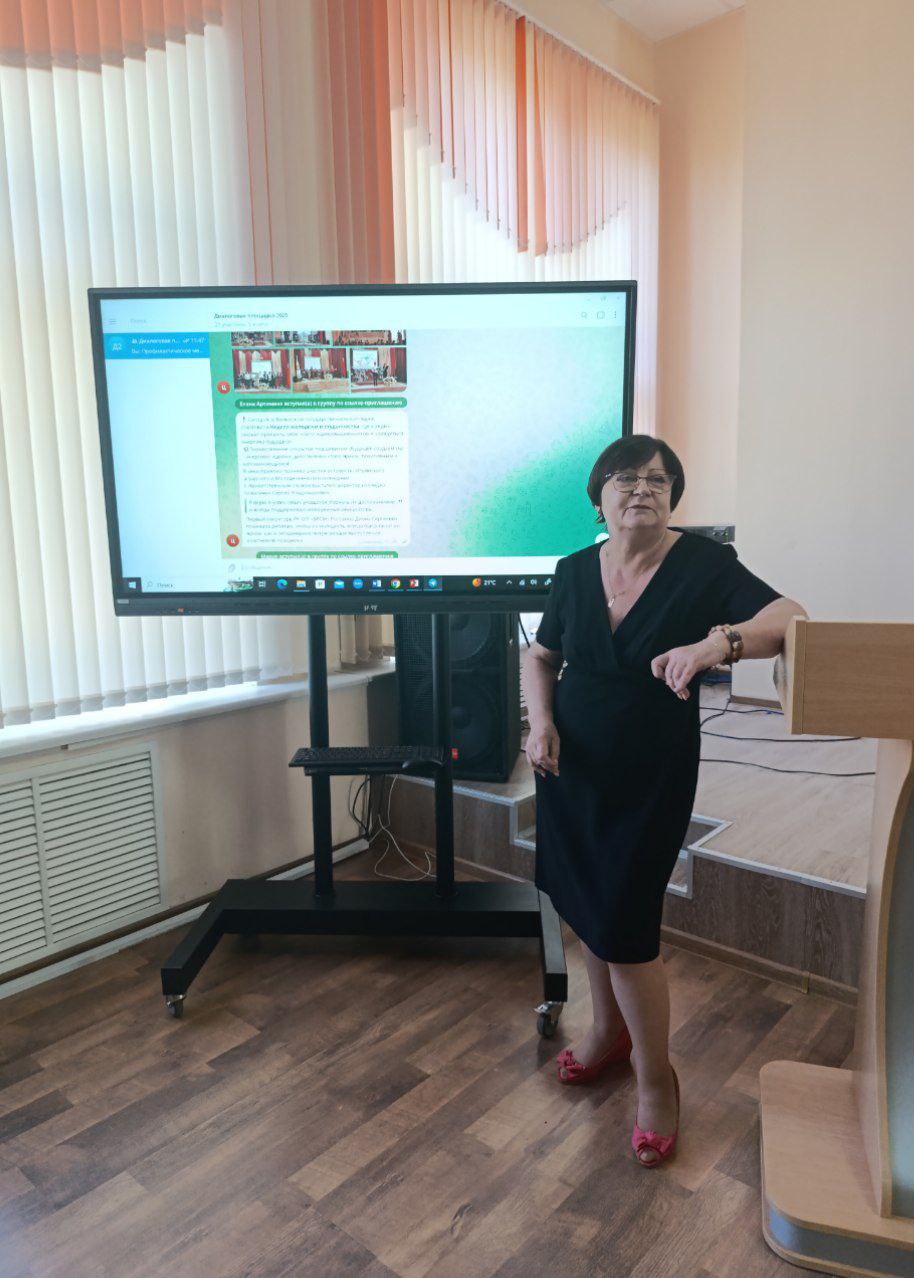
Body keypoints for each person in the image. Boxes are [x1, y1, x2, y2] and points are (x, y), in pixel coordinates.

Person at [522, 434, 806, 1167]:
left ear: (673, 495)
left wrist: (718, 646)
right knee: (586, 906)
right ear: (599, 497)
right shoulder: (574, 569)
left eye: (657, 479)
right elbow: (541, 656)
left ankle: (657, 1081)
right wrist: (540, 722)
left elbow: (790, 616)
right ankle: (605, 1035)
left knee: (625, 926)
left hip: (648, 771)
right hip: (570, 768)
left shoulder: (703, 564)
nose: (641, 489)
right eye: (625, 478)